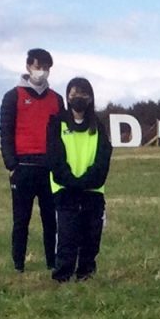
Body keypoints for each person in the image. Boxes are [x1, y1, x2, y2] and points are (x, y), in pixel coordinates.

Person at [0, 47, 65, 272]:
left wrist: (59, 164)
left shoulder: (56, 99)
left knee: (51, 220)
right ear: (28, 66)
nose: (42, 72)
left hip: (49, 169)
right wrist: (11, 164)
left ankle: (52, 262)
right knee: (21, 220)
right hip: (23, 167)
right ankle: (18, 264)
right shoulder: (13, 96)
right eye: (39, 67)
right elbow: (6, 132)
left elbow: (61, 135)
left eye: (46, 68)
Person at [46, 78, 112, 283]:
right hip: (65, 190)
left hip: (92, 191)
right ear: (67, 97)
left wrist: (86, 182)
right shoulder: (57, 123)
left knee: (91, 237)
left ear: (91, 98)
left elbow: (103, 159)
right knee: (67, 236)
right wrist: (73, 182)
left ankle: (86, 274)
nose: (78, 98)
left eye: (83, 94)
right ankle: (62, 276)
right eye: (74, 94)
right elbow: (55, 159)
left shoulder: (99, 127)